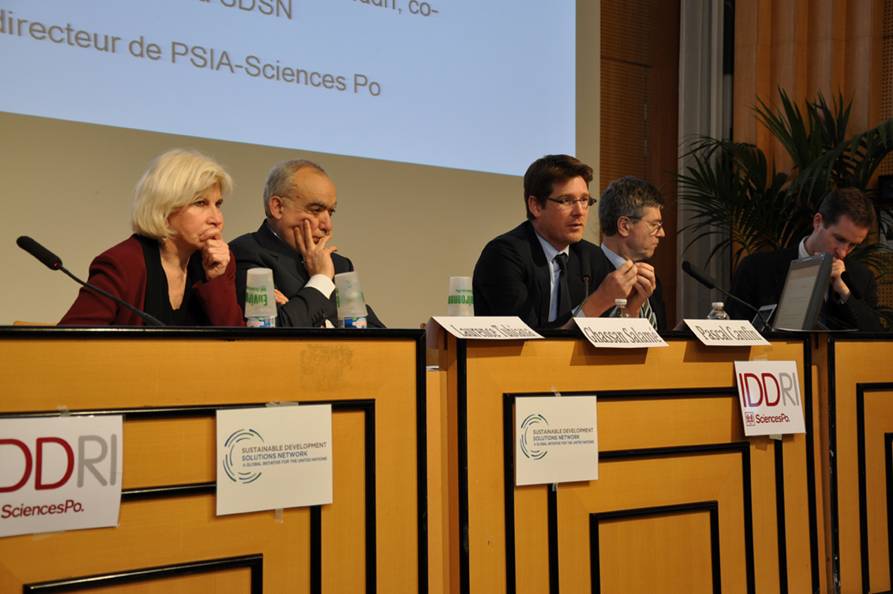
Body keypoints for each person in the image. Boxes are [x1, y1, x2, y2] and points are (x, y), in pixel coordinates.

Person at [59, 149, 244, 326]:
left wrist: (216, 279)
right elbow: (71, 341)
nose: (216, 219)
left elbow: (238, 341)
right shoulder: (123, 264)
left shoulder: (220, 262)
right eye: (200, 203)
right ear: (164, 207)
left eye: (218, 204)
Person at [473, 155, 650, 328]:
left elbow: (606, 336)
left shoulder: (591, 256)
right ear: (536, 206)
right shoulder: (503, 256)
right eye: (566, 201)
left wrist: (631, 308)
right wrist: (599, 301)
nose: (580, 211)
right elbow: (525, 340)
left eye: (584, 200)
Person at [230, 159, 384, 327]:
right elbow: (275, 331)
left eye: (330, 212)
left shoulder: (339, 265)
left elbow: (374, 332)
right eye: (316, 210)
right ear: (278, 207)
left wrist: (298, 310)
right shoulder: (246, 254)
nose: (327, 226)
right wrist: (321, 279)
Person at [728, 187, 882, 331]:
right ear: (818, 222)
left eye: (852, 245)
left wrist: (844, 292)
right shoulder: (757, 268)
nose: (842, 253)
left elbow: (876, 337)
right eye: (839, 239)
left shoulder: (862, 277)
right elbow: (733, 330)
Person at [593, 176, 667, 331]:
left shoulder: (649, 278)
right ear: (624, 226)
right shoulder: (588, 275)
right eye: (655, 225)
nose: (662, 234)